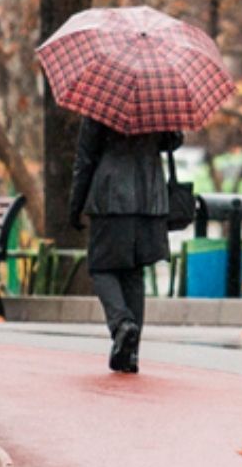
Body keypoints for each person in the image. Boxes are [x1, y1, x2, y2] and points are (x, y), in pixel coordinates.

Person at [69, 116, 183, 373]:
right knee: (134, 272)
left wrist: (75, 206)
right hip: (151, 199)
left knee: (100, 267)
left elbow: (85, 157)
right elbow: (174, 140)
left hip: (111, 198)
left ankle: (122, 325)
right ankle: (130, 355)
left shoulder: (102, 103)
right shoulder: (158, 100)